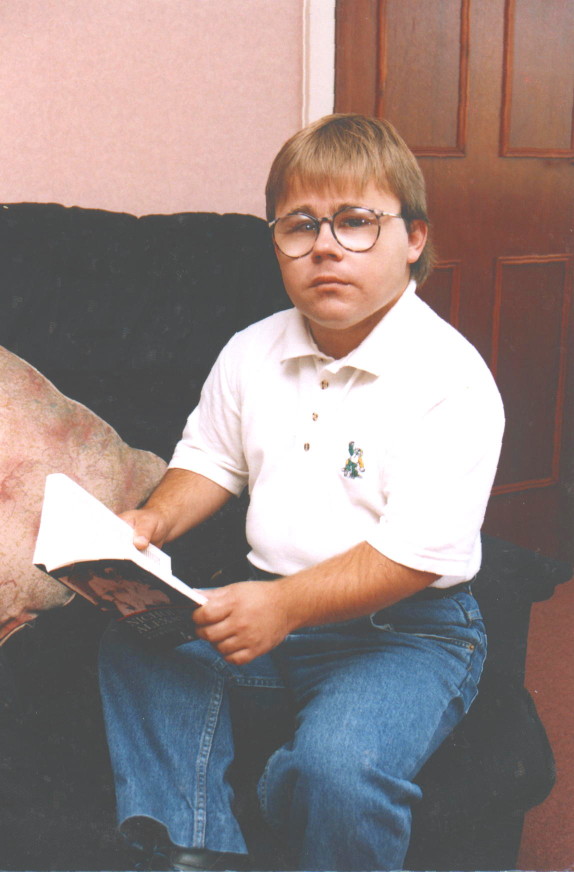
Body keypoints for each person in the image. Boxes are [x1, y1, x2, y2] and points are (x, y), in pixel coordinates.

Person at [98, 114, 504, 872]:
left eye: (356, 222)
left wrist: (282, 607)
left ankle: (301, 788)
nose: (324, 245)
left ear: (413, 239)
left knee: (335, 771)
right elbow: (210, 461)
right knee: (139, 642)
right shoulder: (252, 351)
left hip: (406, 635)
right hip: (273, 611)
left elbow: (415, 557)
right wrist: (152, 519)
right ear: (278, 241)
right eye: (300, 225)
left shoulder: (452, 380)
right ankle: (198, 850)